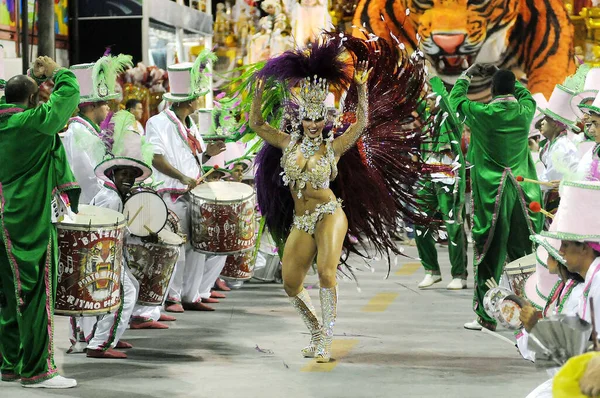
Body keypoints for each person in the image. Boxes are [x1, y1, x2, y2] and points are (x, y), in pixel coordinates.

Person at [249, 35, 429, 363]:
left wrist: (360, 88)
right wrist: (258, 94)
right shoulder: (286, 143)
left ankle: (327, 341)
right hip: (301, 220)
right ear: (301, 119)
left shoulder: (333, 147)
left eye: (319, 119)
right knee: (290, 284)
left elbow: (360, 123)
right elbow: (256, 123)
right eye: (309, 118)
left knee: (325, 273)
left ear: (324, 120)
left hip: (330, 213)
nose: (314, 124)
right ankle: (316, 329)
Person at [0, 56, 80, 388]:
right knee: (34, 296)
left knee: (8, 295)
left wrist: (33, 79)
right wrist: (57, 72)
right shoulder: (32, 125)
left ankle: (9, 363)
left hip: (3, 220)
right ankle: (37, 370)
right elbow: (69, 95)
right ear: (33, 100)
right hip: (27, 222)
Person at [449, 64, 544, 331]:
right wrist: (505, 74)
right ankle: (528, 313)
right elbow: (527, 96)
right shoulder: (525, 112)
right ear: (513, 89)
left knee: (489, 254)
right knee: (523, 254)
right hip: (523, 196)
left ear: (491, 90)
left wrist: (467, 76)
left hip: (493, 196)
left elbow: (455, 100)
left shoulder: (483, 113)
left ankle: (486, 317)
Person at [145, 51, 227, 313]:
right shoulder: (157, 123)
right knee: (176, 247)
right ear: (189, 100)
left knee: (198, 246)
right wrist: (181, 177)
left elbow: (191, 158)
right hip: (172, 194)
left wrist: (208, 154)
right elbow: (156, 158)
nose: (201, 99)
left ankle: (192, 295)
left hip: (193, 193)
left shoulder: (190, 124)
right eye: (198, 95)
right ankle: (173, 296)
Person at [62, 54, 133, 353]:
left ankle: (87, 337)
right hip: (95, 216)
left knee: (87, 283)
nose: (109, 108)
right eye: (105, 103)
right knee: (121, 287)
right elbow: (88, 179)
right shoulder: (79, 132)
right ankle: (102, 340)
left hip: (93, 214)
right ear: (91, 105)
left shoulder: (85, 130)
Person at [86, 110, 156, 358]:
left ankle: (103, 337)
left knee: (127, 288)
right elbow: (104, 233)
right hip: (105, 258)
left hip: (107, 256)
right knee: (124, 294)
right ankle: (100, 344)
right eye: (123, 173)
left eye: (132, 174)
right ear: (112, 174)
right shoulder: (110, 197)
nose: (128, 178)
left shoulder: (114, 195)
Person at [416, 77, 468, 290]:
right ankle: (432, 270)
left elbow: (444, 100)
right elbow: (414, 100)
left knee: (452, 225)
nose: (426, 102)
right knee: (419, 220)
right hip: (429, 174)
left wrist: (432, 79)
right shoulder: (429, 117)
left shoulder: (452, 117)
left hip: (448, 177)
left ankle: (459, 274)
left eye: (430, 98)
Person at [537, 85, 580, 216]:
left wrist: (528, 187)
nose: (542, 123)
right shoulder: (552, 143)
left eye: (546, 119)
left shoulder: (562, 147)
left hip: (561, 199)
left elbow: (551, 180)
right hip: (552, 195)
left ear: (555, 124)